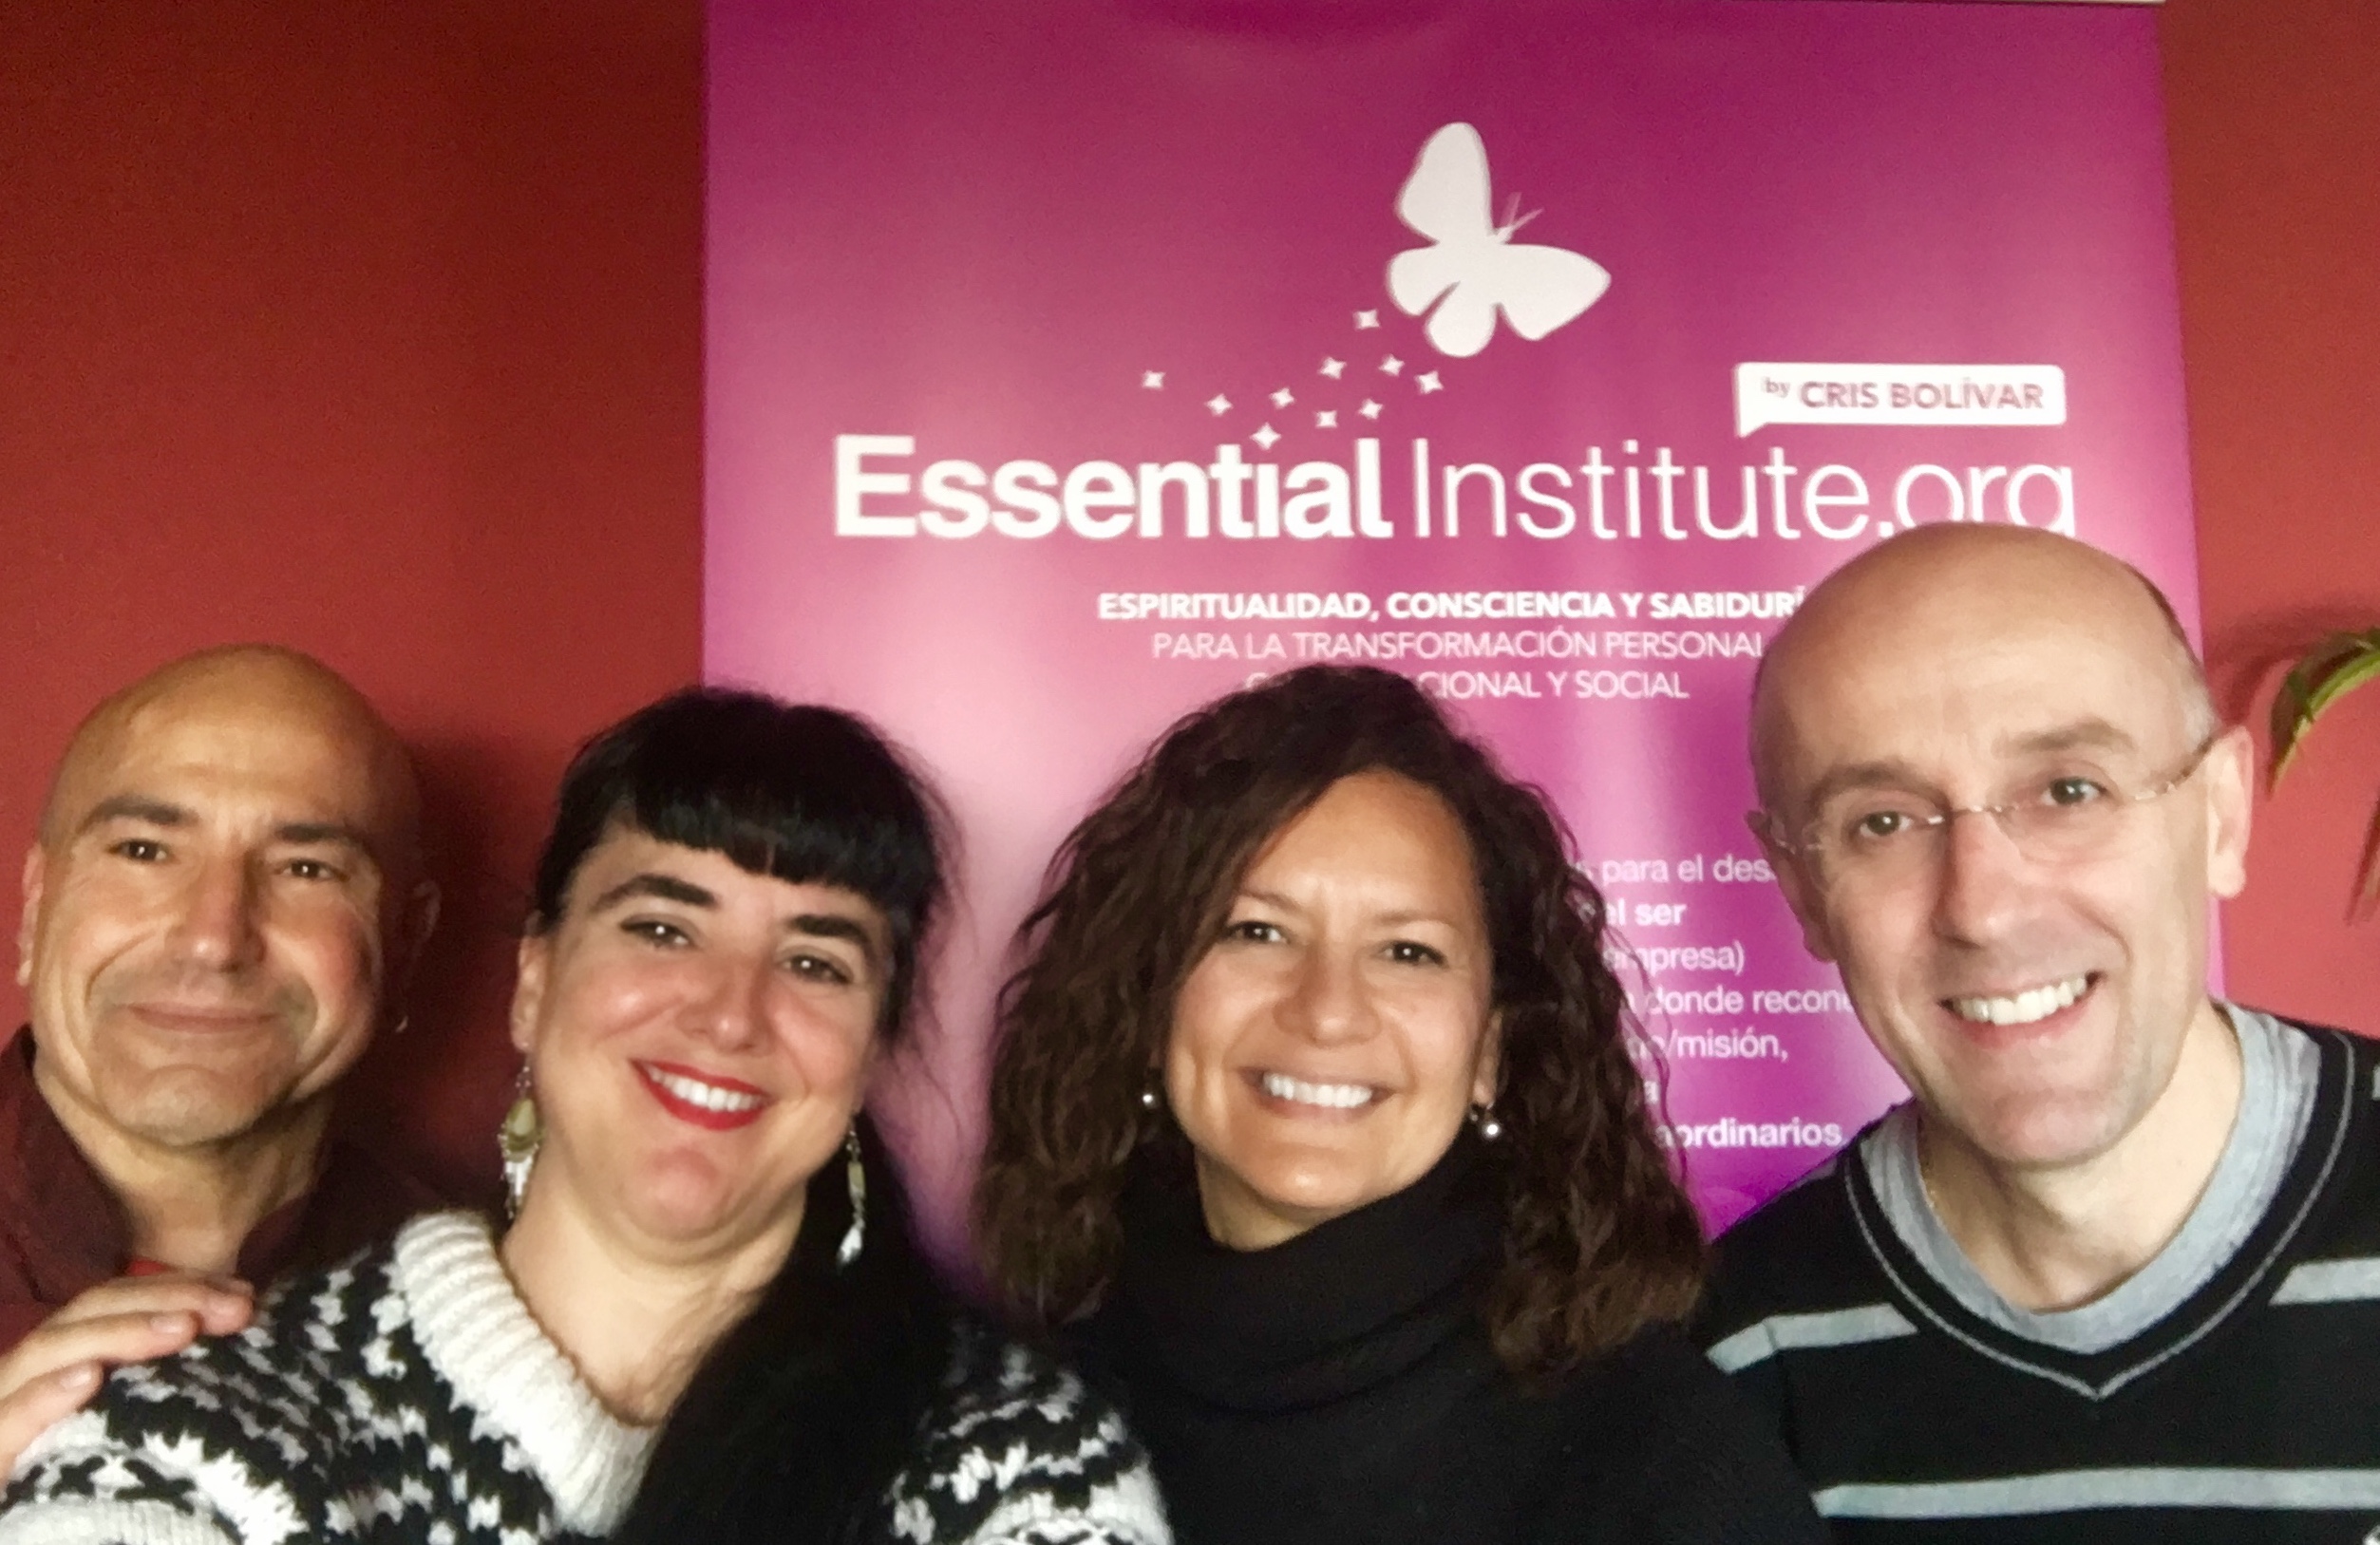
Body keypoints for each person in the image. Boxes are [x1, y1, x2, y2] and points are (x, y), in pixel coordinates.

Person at [2, 688, 1169, 1545]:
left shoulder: (1016, 1456)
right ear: (533, 978)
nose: (730, 1013)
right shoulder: (202, 1428)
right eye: (662, 927)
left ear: (873, 1045)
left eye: (815, 961)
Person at [977, 665, 1828, 1545]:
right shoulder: (1016, 1426)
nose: (1327, 1010)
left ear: (1490, 1051)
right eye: (1256, 931)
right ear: (1151, 1005)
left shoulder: (1657, 1458)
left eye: (1408, 951)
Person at [1698, 522, 2380, 1541]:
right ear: (1800, 887)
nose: (1982, 908)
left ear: (2220, 816)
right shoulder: (1740, 1352)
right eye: (1882, 821)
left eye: (2069, 790)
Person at [0, 646, 441, 1470]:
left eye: (305, 868)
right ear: (34, 908)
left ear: (405, 942)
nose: (213, 938)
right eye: (143, 850)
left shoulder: (472, 1306)